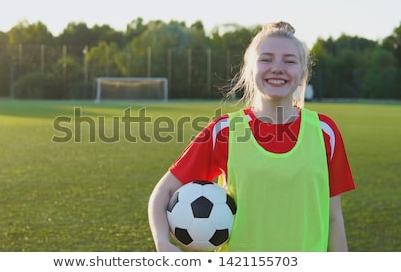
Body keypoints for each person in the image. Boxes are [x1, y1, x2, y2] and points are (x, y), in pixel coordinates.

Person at [148, 21, 355, 252]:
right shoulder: (224, 131)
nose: (277, 68)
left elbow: (334, 218)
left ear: (302, 74)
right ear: (250, 70)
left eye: (289, 61)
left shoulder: (325, 131)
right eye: (266, 59)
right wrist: (162, 243)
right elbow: (162, 193)